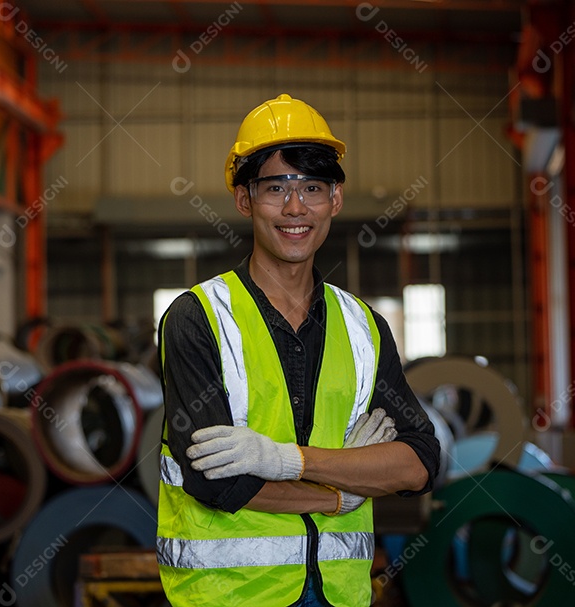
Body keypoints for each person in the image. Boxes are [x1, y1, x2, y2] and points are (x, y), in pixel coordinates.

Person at [156, 93, 440, 607]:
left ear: (335, 199)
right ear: (244, 200)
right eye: (275, 188)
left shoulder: (364, 327)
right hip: (230, 596)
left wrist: (285, 460)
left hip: (340, 593)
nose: (295, 208)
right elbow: (216, 482)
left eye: (312, 188)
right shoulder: (198, 319)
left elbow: (418, 464)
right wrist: (344, 492)